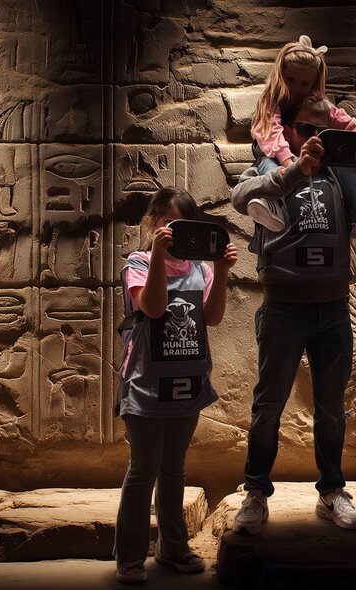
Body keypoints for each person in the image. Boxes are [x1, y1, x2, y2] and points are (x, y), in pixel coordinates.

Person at [230, 95, 356, 534]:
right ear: (286, 130)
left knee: (332, 410)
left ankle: (331, 492)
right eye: (307, 130)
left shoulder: (340, 181)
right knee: (267, 407)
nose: (316, 140)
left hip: (332, 309)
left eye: (324, 133)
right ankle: (255, 493)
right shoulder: (269, 173)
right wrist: (296, 168)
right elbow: (239, 196)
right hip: (283, 309)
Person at [114, 186, 238, 584]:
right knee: (143, 468)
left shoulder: (200, 269)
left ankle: (173, 547)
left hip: (186, 380)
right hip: (146, 382)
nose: (172, 230)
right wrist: (157, 258)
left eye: (180, 223)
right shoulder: (137, 262)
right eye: (165, 222)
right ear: (153, 224)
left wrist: (220, 272)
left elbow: (213, 317)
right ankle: (130, 556)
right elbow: (152, 307)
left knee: (173, 469)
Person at [247, 34, 356, 244]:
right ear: (281, 74)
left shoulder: (315, 99)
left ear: (313, 82)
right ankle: (272, 205)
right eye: (291, 79)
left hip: (311, 152)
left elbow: (338, 117)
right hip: (274, 153)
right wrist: (288, 162)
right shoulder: (272, 98)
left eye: (304, 83)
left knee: (345, 166)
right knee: (270, 168)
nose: (296, 87)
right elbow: (271, 132)